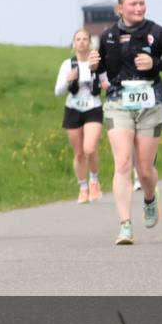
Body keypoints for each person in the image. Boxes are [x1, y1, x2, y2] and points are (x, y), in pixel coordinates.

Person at [89, 0, 162, 245]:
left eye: (142, 3)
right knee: (122, 163)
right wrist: (94, 68)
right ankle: (125, 225)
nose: (139, 8)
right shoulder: (108, 36)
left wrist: (156, 63)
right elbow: (99, 80)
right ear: (120, 8)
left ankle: (150, 198)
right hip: (118, 103)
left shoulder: (156, 32)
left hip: (151, 104)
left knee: (144, 170)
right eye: (133, 4)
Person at [54, 28, 104, 203]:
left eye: (85, 39)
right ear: (73, 43)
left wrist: (105, 84)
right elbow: (57, 92)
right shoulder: (67, 64)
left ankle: (94, 182)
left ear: (90, 42)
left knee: (89, 149)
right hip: (73, 108)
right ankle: (82, 188)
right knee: (79, 154)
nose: (82, 42)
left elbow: (108, 81)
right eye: (78, 39)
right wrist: (68, 80)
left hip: (93, 107)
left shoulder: (97, 61)